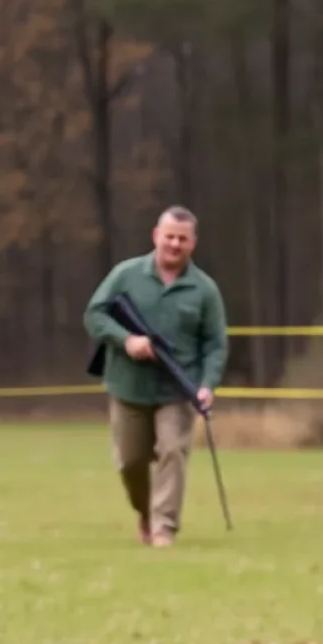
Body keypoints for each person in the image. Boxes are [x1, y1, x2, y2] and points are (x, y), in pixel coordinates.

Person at [83, 206, 228, 547]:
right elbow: (94, 314)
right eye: (170, 236)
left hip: (177, 390)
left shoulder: (205, 290)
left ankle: (164, 527)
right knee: (130, 462)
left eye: (183, 238)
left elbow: (216, 344)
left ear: (193, 243)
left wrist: (207, 385)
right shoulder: (125, 274)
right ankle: (146, 514)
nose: (175, 244)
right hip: (128, 387)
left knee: (173, 452)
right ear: (156, 236)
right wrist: (126, 340)